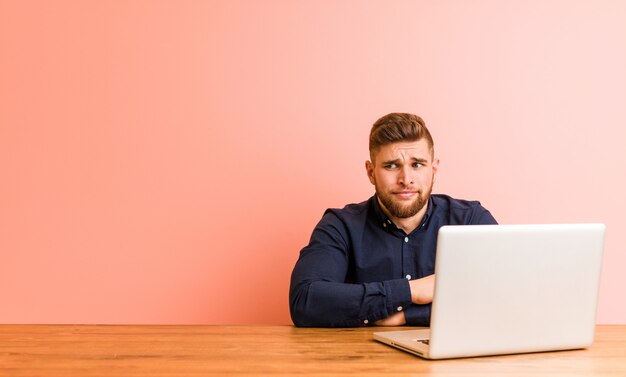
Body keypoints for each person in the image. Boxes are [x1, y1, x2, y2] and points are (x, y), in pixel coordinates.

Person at [289, 112, 497, 327]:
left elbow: (506, 295)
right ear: (371, 172)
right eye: (391, 165)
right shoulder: (340, 226)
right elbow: (305, 301)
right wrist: (411, 291)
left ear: (433, 169)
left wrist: (407, 315)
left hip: (454, 359)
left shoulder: (471, 220)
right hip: (363, 359)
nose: (406, 179)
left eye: (417, 165)